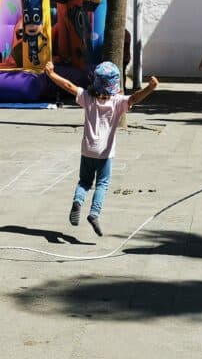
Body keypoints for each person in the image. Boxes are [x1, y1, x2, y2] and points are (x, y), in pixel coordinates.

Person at [44, 60, 159, 236]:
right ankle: (94, 213)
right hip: (105, 153)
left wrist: (51, 74)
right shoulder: (118, 102)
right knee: (102, 184)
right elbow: (135, 98)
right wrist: (150, 88)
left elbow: (68, 86)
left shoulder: (87, 98)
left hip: (87, 150)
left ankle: (78, 201)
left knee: (84, 182)